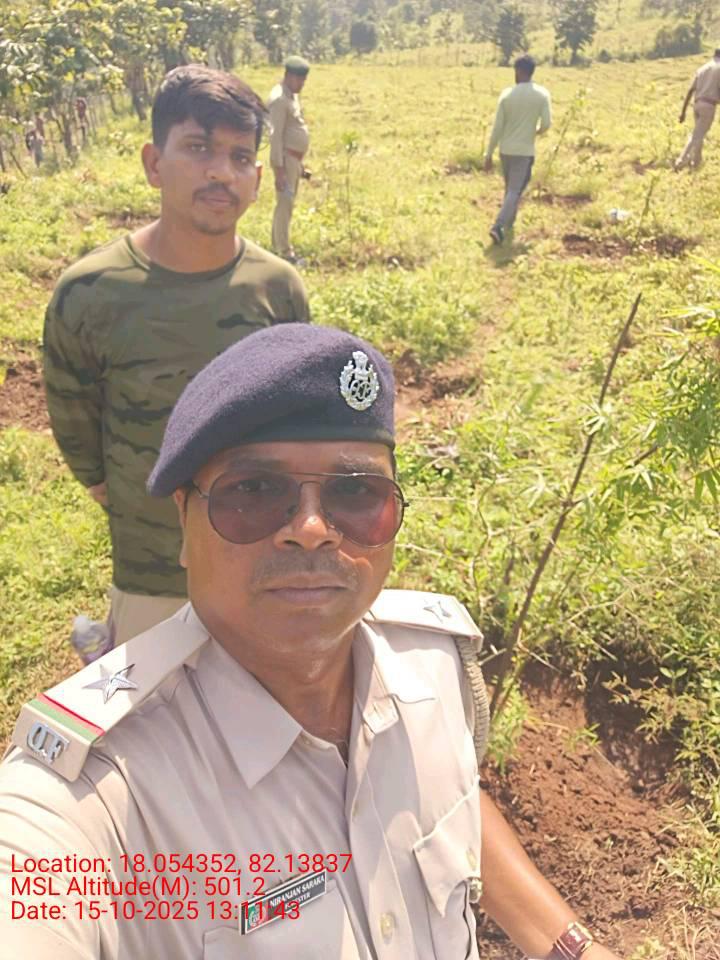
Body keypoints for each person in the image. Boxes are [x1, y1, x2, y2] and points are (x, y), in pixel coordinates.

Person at [1, 323, 623, 960]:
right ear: (184, 522)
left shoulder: (431, 663)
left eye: (355, 492)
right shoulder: (88, 795)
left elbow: (448, 800)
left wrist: (571, 947)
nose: (311, 528)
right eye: (253, 491)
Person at [43, 65, 310, 654]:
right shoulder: (91, 292)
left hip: (258, 549)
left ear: (257, 178)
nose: (221, 171)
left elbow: (293, 416)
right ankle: (110, 644)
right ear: (153, 163)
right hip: (152, 563)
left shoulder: (278, 289)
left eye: (240, 156)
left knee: (252, 687)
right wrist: (112, 488)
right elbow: (72, 407)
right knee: (153, 696)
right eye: (198, 148)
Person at [484, 54, 552, 245]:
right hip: (524, 151)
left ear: (519, 71)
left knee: (510, 190)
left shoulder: (507, 95)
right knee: (515, 191)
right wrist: (536, 131)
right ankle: (498, 226)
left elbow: (497, 128)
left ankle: (508, 224)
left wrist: (489, 154)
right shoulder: (542, 94)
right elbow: (547, 123)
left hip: (506, 150)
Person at [268, 55, 311, 264]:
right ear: (288, 76)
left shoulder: (291, 96)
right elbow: (275, 137)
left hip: (293, 161)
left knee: (286, 205)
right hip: (284, 161)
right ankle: (285, 254)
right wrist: (279, 170)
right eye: (299, 80)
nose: (302, 84)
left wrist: (300, 166)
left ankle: (277, 246)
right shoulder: (279, 100)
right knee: (284, 205)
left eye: (304, 80)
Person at [674, 48, 720, 171]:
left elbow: (690, 91)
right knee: (697, 135)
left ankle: (696, 163)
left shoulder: (702, 69)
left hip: (697, 104)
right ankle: (681, 161)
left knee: (699, 133)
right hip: (709, 105)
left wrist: (683, 112)